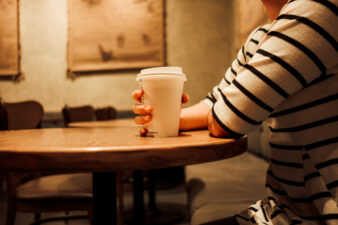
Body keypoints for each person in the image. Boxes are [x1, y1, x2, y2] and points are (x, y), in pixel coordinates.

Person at [132, 0, 338, 224]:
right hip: (282, 211)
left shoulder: (315, 10)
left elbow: (226, 120)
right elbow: (216, 102)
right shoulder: (262, 36)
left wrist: (221, 111)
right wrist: (164, 117)